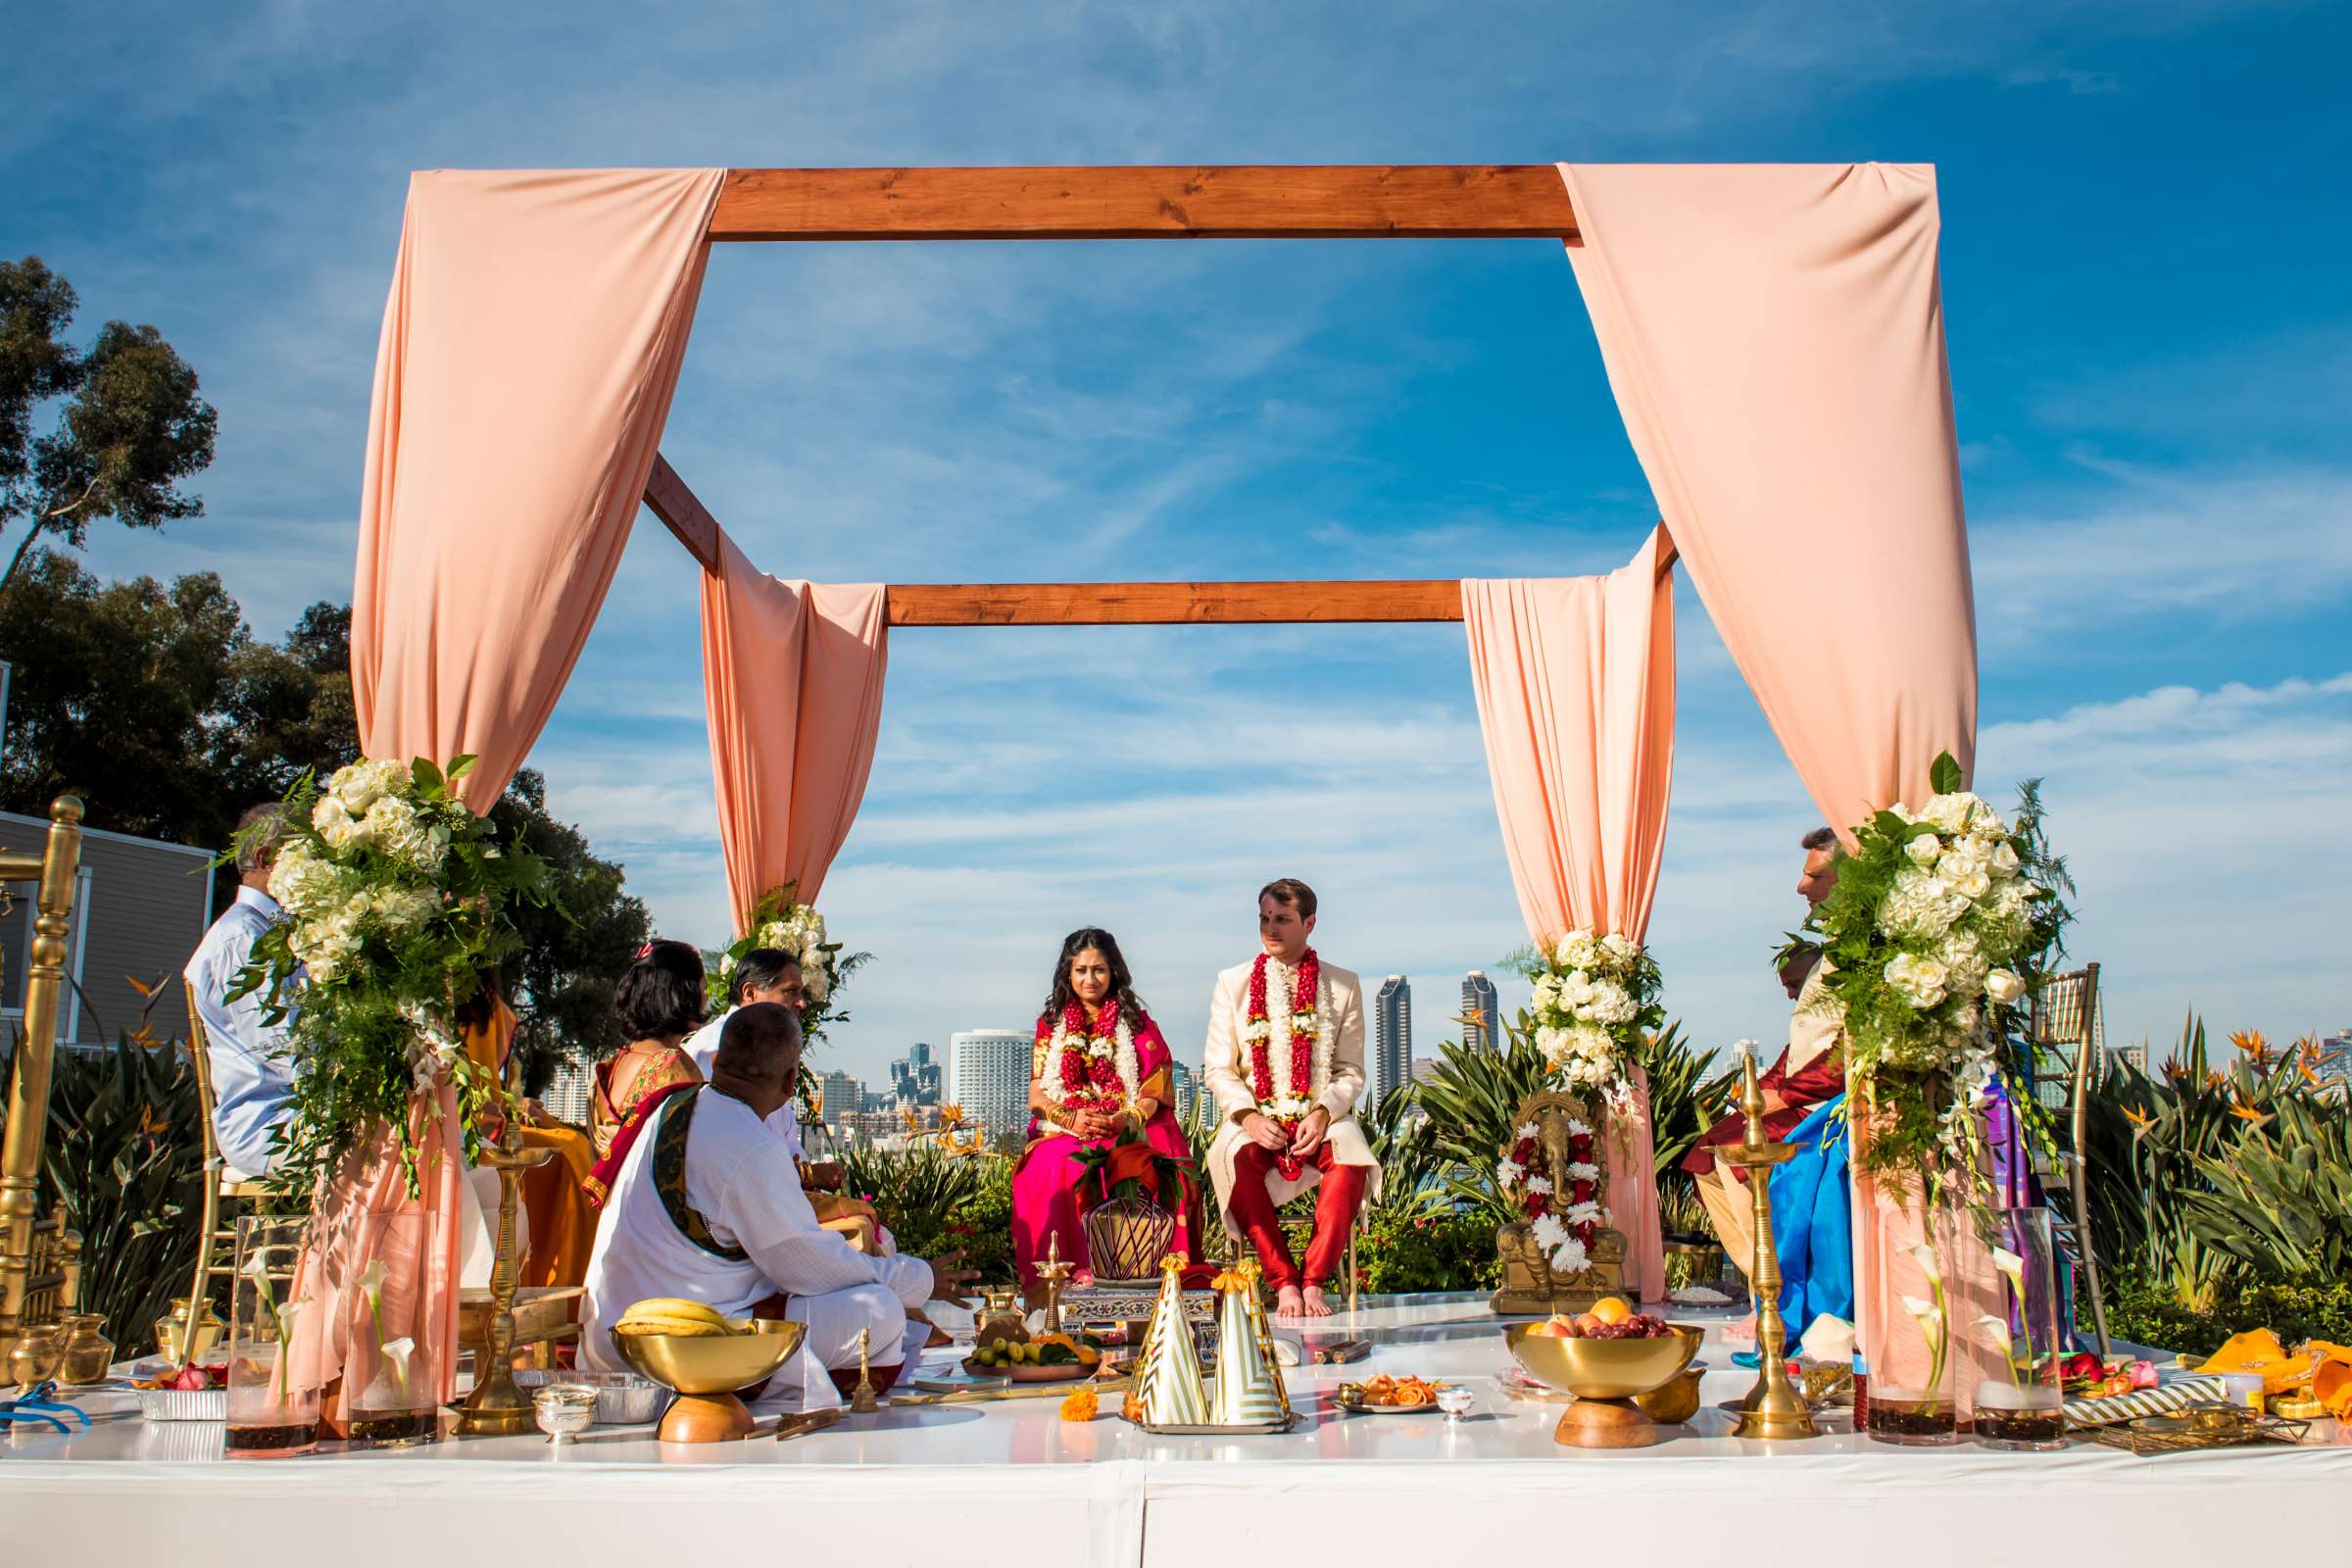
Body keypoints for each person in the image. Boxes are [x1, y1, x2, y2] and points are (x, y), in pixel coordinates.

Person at [578, 1002, 976, 1394]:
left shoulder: (671, 1107)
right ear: (790, 1083)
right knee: (881, 1311)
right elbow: (805, 1268)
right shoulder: (750, 1142)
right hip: (676, 1345)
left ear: (715, 1061)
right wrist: (915, 1278)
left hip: (610, 1336)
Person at [1202, 879, 1381, 1320]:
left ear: (1309, 923)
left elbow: (1351, 1072)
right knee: (1235, 1161)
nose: (1270, 929)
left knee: (1351, 1160)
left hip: (1322, 1114)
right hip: (1254, 1114)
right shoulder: (1233, 983)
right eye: (1264, 919)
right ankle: (1283, 1281)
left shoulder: (1343, 985)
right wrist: (1247, 1117)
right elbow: (1219, 1068)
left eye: (1282, 919)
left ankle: (1315, 1279)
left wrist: (1321, 1114)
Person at [1686, 827, 1847, 1282]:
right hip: (1807, 1100)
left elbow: (1849, 1051)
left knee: (1734, 1150)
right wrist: (1768, 1087)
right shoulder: (1830, 958)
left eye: (1814, 876)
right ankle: (1762, 1282)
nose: (1801, 887)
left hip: (1829, 1109)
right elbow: (1800, 1047)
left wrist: (1788, 1094)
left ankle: (1778, 1283)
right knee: (1710, 1151)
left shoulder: (1861, 957)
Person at [1009, 928, 1200, 1299]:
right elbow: (1037, 1091)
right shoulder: (1052, 1024)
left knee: (1144, 1157)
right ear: (1068, 973)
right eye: (1080, 970)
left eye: (1098, 969)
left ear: (1114, 972)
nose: (1089, 979)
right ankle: (1055, 1290)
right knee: (1052, 1163)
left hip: (1123, 1123)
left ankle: (1148, 1284)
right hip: (1067, 1126)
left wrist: (1125, 1119)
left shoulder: (1137, 1022)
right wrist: (1068, 1118)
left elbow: (1155, 1089)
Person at [686, 948, 886, 1252]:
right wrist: (804, 1175)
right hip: (726, 1228)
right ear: (750, 992)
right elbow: (732, 1150)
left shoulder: (764, 1044)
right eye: (790, 991)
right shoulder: (711, 1050)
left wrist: (805, 1175)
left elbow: (783, 1139)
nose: (802, 1003)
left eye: (802, 992)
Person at [455, 972, 600, 1288]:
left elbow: (486, 1089)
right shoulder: (444, 1004)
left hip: (489, 1118)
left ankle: (569, 1280)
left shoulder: (493, 1009)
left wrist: (514, 1105)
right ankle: (553, 1279)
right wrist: (510, 1109)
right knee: (565, 1155)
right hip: (467, 1126)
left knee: (573, 1144)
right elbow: (462, 1099)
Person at [183, 803, 298, 1180]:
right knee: (413, 1149)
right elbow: (285, 1049)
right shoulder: (243, 938)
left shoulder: (275, 930)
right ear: (266, 858)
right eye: (304, 854)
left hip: (299, 1110)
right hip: (269, 1122)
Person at [583, 940, 707, 1204]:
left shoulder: (616, 1062)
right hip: (650, 1219)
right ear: (682, 994)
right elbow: (692, 1162)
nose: (705, 999)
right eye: (702, 988)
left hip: (610, 1213)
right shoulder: (673, 1067)